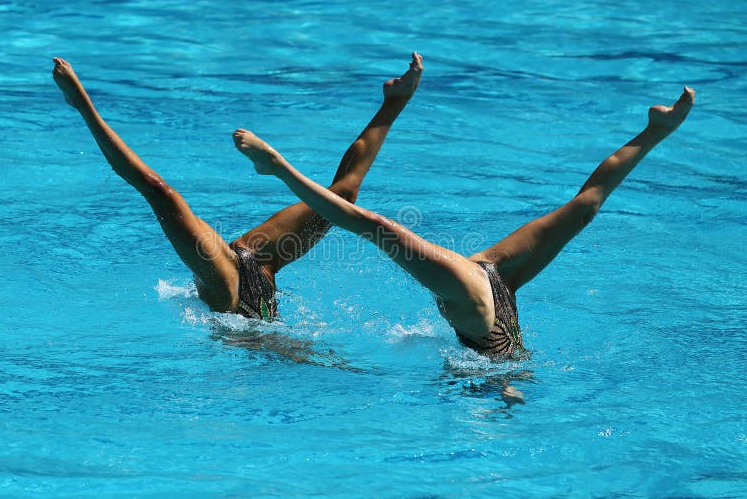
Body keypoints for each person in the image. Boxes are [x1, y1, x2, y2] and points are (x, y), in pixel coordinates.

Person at [234, 86, 696, 358]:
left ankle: (656, 131)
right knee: (371, 225)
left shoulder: (501, 359)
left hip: (494, 282)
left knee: (583, 210)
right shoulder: (496, 375)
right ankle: (276, 166)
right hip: (477, 294)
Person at [52, 53, 424, 319]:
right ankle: (83, 105)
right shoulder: (267, 341)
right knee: (158, 190)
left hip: (238, 271)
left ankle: (394, 101)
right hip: (243, 275)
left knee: (340, 197)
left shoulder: (255, 334)